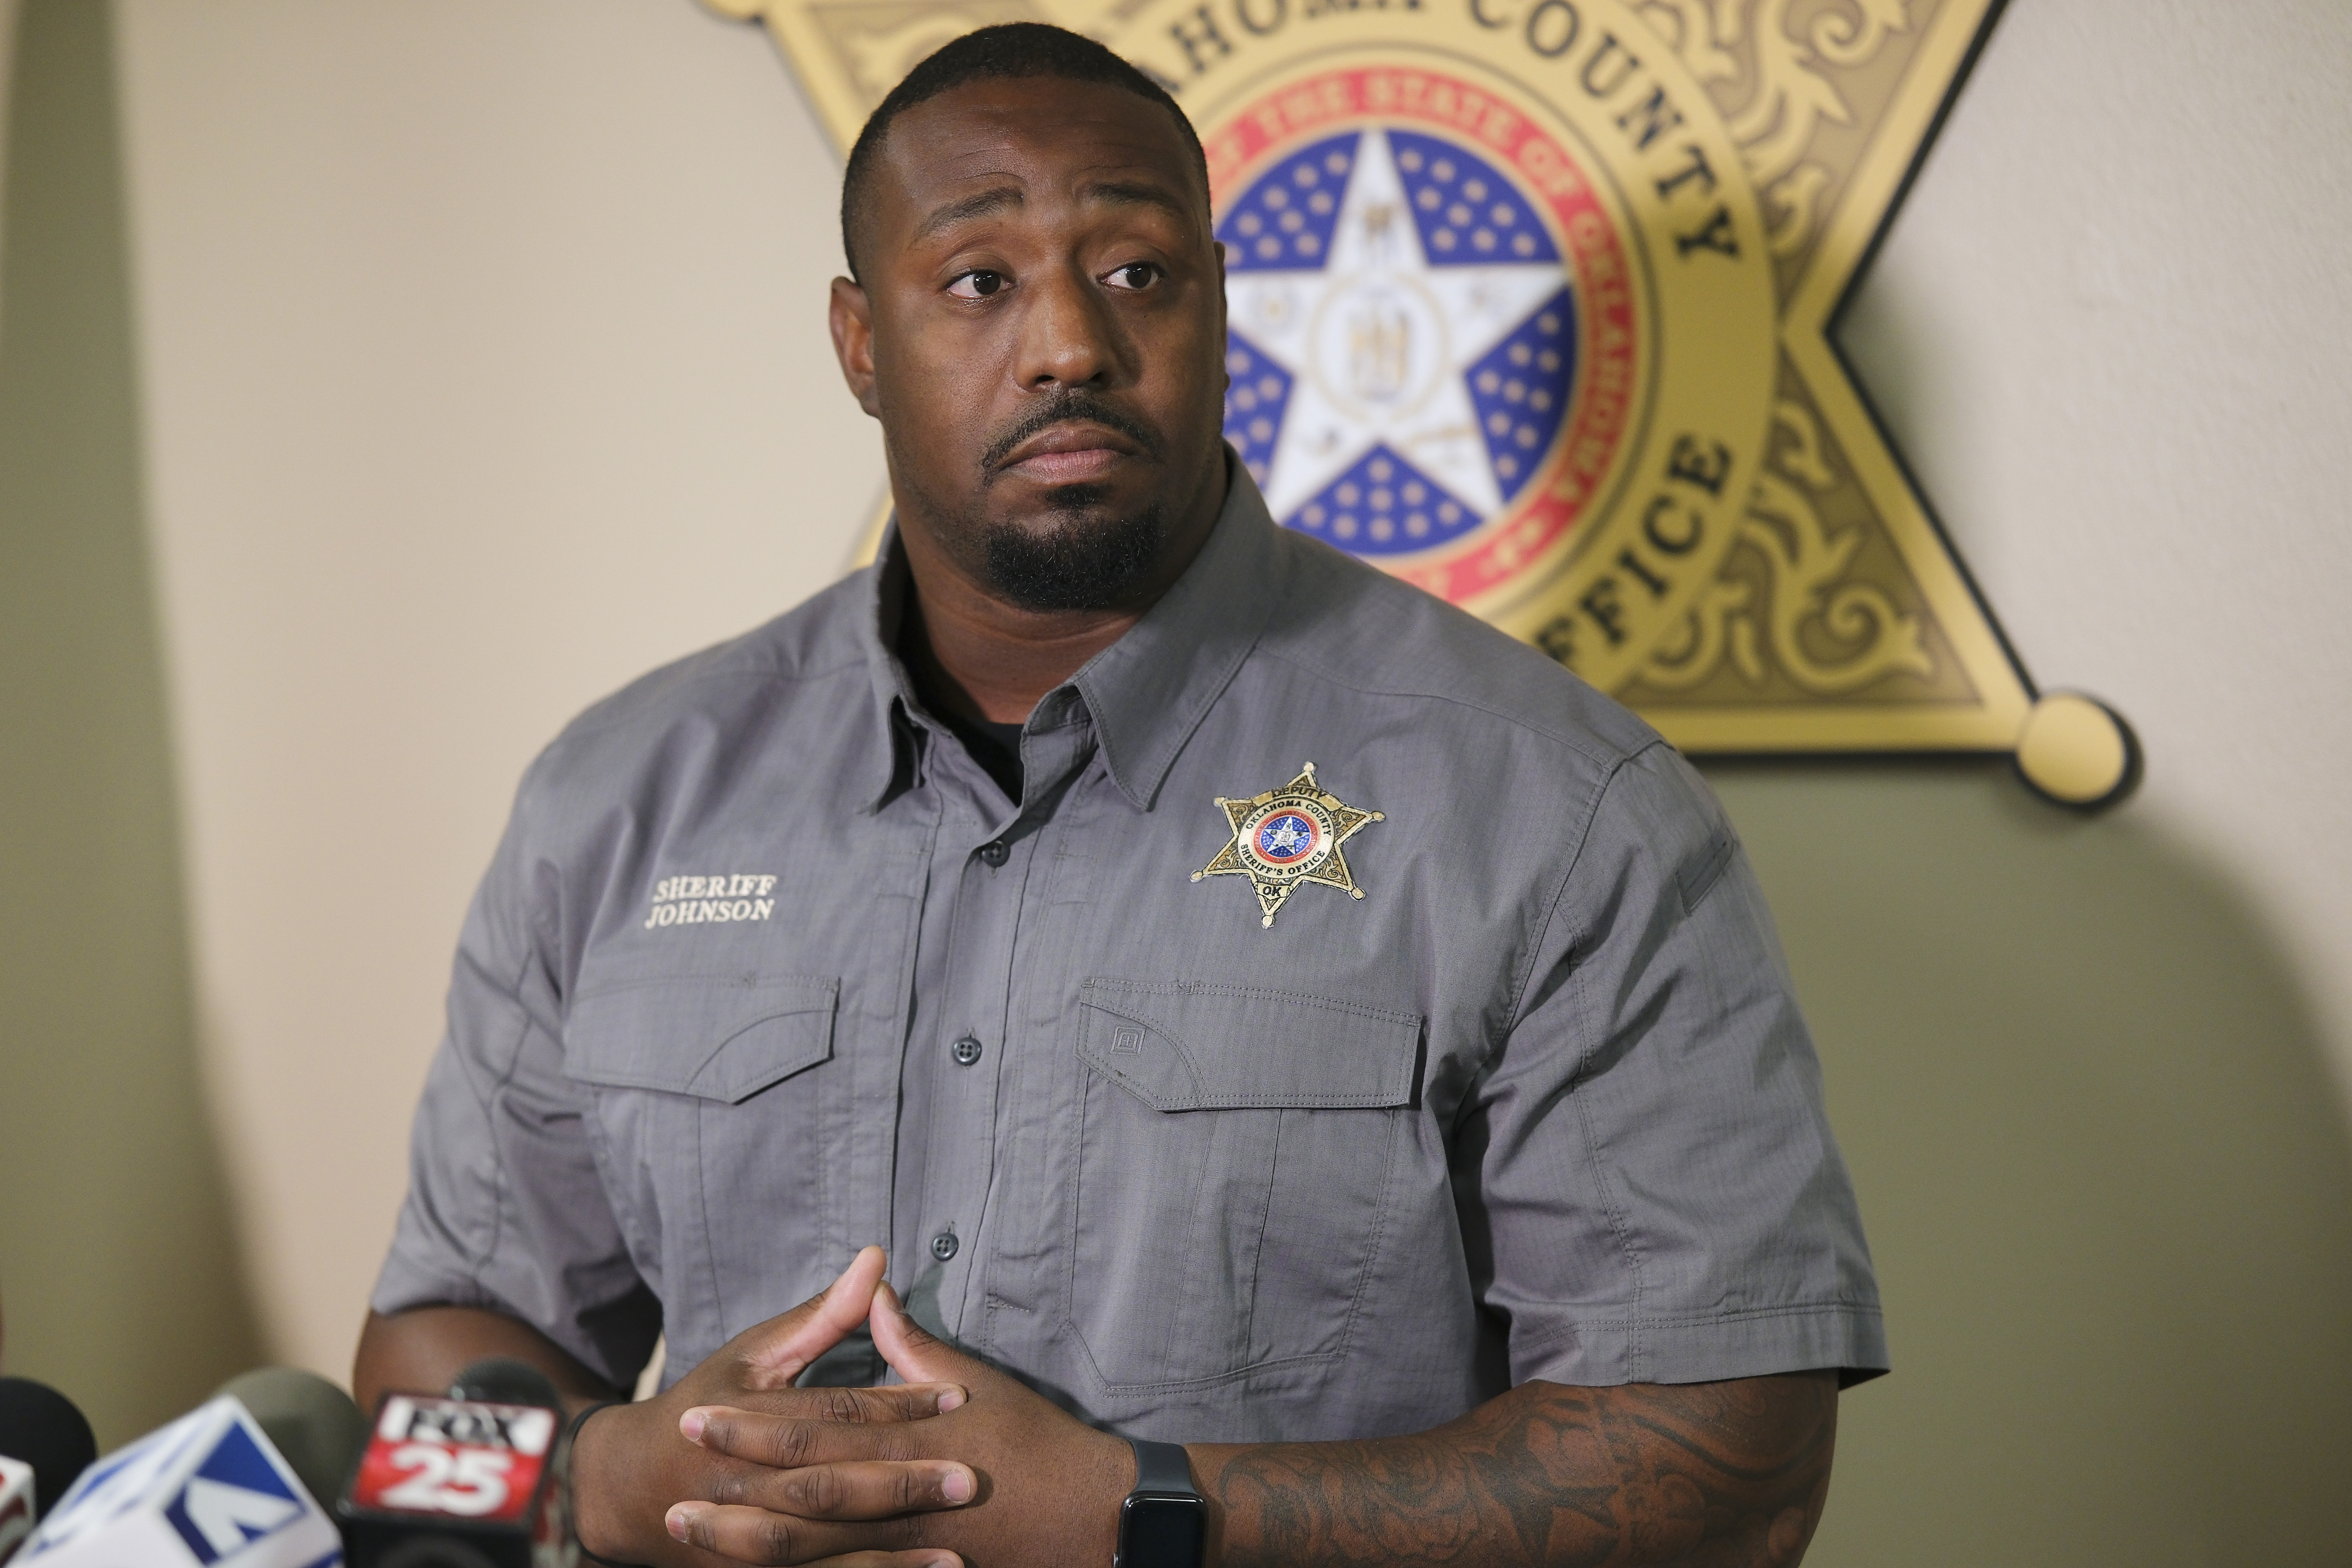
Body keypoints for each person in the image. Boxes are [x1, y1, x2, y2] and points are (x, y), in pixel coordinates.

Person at [354, 22, 1885, 1568]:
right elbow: (443, 1334)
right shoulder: (620, 799)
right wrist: (600, 1480)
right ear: (858, 342)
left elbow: (1729, 1469)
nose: (1071, 343)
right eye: (979, 280)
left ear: (1220, 304)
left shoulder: (1559, 813)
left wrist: (1143, 1514)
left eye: (1139, 271)